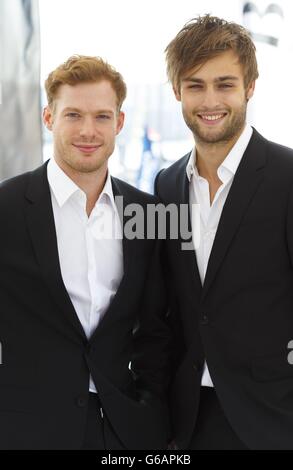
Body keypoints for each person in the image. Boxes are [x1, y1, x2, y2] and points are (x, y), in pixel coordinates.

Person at [0, 55, 170, 450]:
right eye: (73, 115)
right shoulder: (6, 207)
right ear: (48, 118)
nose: (88, 131)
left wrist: (149, 408)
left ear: (120, 123)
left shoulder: (145, 212)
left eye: (102, 117)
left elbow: (157, 328)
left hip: (122, 431)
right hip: (24, 430)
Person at [155, 14, 293, 450]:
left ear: (249, 87)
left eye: (225, 84)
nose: (209, 99)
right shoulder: (166, 184)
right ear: (177, 91)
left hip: (272, 414)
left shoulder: (288, 177)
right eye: (195, 85)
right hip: (188, 417)